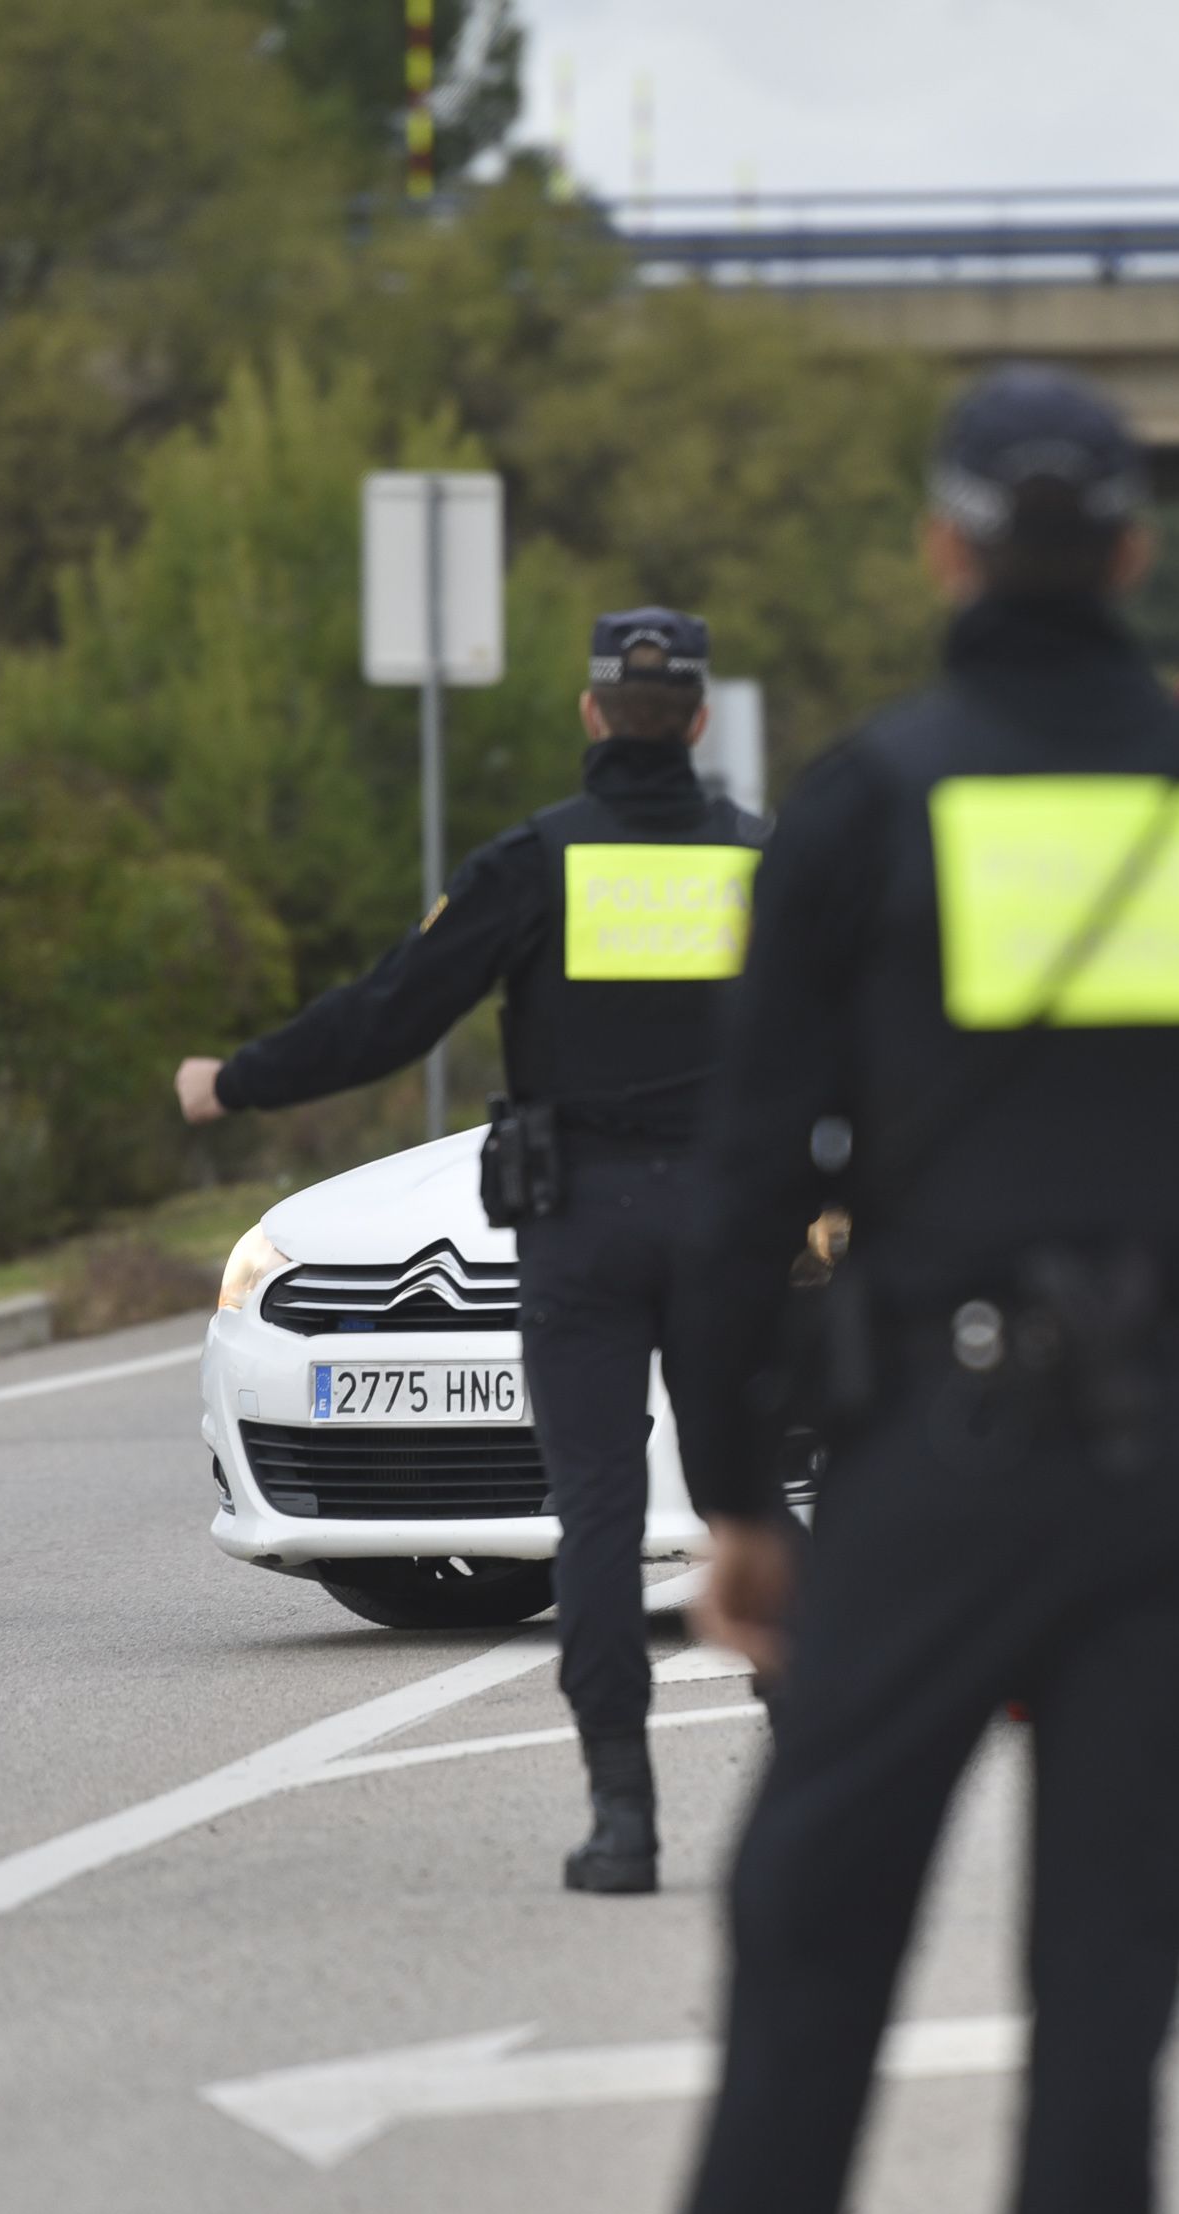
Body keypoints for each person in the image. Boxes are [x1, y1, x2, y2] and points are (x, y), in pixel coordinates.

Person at [645, 364, 1179, 2214]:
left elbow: (737, 1199)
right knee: (1105, 1996)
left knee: (810, 1942)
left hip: (936, 1446)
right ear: (1131, 552)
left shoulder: (864, 797)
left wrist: (739, 1496)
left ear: (940, 547)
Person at [174, 609, 767, 1897]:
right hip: (729, 1223)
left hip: (579, 1230)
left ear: (591, 711)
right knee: (746, 1511)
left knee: (600, 1518)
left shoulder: (536, 862)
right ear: (703, 720)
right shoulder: (760, 862)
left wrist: (240, 1079)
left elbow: (391, 1011)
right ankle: (811, 1806)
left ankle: (623, 1822)